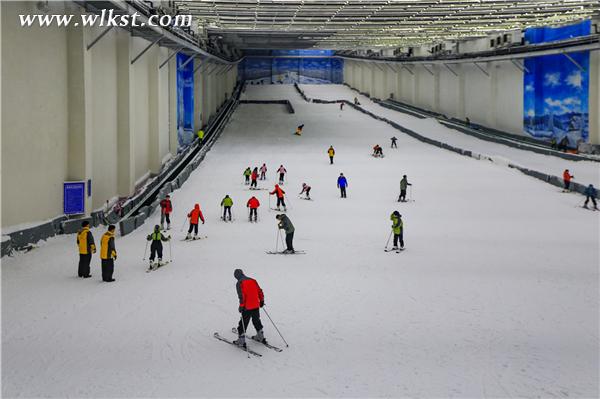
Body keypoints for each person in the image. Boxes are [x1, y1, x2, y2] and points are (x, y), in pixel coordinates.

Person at [232, 269, 266, 348]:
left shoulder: (239, 283)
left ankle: (241, 340)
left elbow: (242, 296)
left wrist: (241, 306)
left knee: (243, 323)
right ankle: (260, 336)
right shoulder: (252, 280)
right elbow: (259, 291)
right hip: (256, 305)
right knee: (256, 320)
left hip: (247, 307)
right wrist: (261, 300)